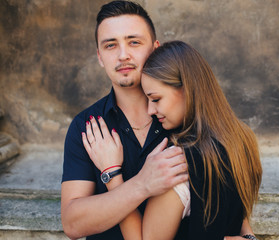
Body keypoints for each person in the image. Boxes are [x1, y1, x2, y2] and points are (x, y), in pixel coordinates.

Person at [62, 1, 258, 239]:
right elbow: (72, 224)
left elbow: (224, 181)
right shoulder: (88, 127)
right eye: (110, 45)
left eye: (134, 42)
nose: (123, 55)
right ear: (100, 56)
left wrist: (248, 236)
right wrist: (139, 184)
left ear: (155, 48)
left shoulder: (184, 116)